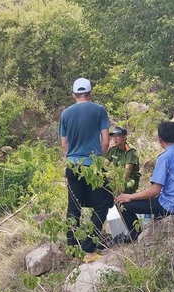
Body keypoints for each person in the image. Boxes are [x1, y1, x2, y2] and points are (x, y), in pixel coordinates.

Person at [115, 122, 174, 241]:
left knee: (122, 204)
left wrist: (130, 196)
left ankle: (136, 236)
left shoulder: (164, 157)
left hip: (171, 205)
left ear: (160, 139)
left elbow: (155, 190)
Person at [59, 78, 113, 262]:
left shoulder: (65, 113)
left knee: (74, 207)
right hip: (93, 166)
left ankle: (73, 249)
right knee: (103, 203)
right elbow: (105, 141)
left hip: (72, 166)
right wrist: (99, 160)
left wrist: (74, 157)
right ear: (91, 93)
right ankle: (89, 249)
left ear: (74, 95)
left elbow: (64, 144)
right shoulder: (99, 110)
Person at [106, 126, 141, 194]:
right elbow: (105, 165)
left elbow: (127, 172)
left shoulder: (131, 151)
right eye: (113, 136)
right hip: (117, 177)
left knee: (120, 187)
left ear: (124, 137)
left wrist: (118, 185)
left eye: (117, 136)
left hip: (130, 179)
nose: (114, 138)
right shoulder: (113, 149)